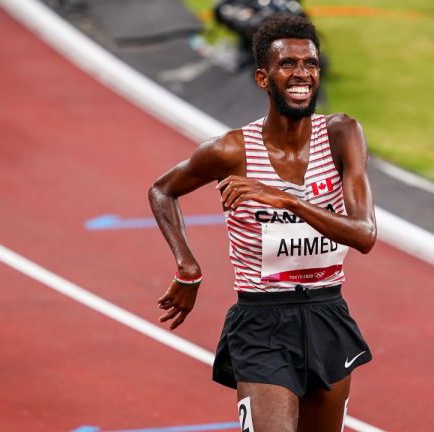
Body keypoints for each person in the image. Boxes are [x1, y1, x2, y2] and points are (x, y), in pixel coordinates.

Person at [148, 14, 376, 432]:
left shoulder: (342, 134)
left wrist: (287, 200)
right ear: (262, 78)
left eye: (310, 63)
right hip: (262, 322)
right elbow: (162, 190)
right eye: (287, 64)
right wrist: (188, 267)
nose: (302, 73)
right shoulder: (232, 151)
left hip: (327, 313)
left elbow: (364, 235)